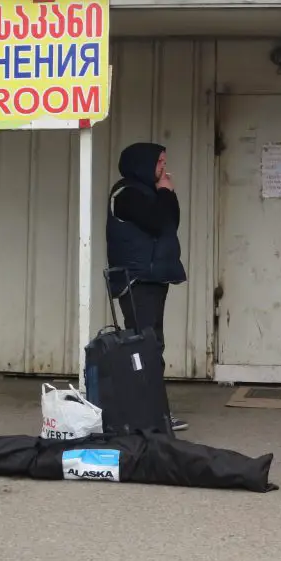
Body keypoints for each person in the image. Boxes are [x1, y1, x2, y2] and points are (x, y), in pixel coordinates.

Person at [107, 142, 189, 432]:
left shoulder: (147, 192)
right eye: (159, 163)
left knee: (152, 345)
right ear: (143, 164)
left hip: (152, 277)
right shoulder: (127, 194)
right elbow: (157, 223)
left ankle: (155, 414)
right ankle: (144, 415)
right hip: (136, 279)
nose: (163, 168)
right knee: (141, 346)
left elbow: (170, 222)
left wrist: (167, 192)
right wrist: (165, 192)